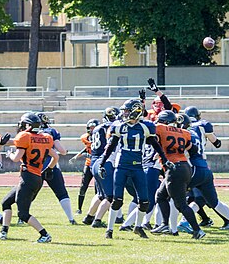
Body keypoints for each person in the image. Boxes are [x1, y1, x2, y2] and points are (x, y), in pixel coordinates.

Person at [97, 99, 171, 239]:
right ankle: (109, 229)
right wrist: (102, 162)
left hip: (138, 166)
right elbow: (110, 146)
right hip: (122, 166)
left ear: (135, 111)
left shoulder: (146, 127)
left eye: (126, 110)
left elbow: (156, 146)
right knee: (117, 199)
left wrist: (165, 160)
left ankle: (137, 227)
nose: (124, 113)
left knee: (144, 201)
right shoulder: (119, 126)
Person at [178, 112, 229, 236]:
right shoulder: (201, 127)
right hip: (204, 167)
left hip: (190, 167)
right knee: (210, 201)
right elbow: (217, 143)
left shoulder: (184, 133)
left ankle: (172, 226)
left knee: (173, 195)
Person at [0, 113, 57, 243]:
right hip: (36, 177)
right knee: (6, 202)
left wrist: (9, 154)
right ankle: (3, 232)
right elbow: (56, 157)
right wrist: (49, 168)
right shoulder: (45, 138)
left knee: (23, 213)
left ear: (27, 125)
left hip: (28, 177)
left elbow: (16, 158)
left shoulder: (25, 136)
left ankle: (45, 234)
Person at [152, 111, 204, 239]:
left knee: (180, 204)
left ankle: (198, 230)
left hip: (173, 168)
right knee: (160, 195)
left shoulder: (160, 128)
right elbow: (193, 149)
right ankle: (164, 224)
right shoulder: (185, 132)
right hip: (185, 166)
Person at [82, 107, 120, 228]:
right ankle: (97, 221)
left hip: (93, 161)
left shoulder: (97, 128)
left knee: (100, 194)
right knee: (110, 196)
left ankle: (89, 217)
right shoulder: (113, 127)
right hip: (105, 161)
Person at [38, 112, 77, 224]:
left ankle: (22, 217)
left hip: (35, 167)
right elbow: (62, 151)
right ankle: (71, 218)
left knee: (28, 194)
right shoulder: (51, 132)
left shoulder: (27, 134)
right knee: (61, 193)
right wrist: (65, 151)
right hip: (52, 166)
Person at [70, 119, 99, 214]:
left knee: (98, 188)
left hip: (98, 164)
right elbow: (87, 148)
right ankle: (79, 209)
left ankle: (98, 210)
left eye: (93, 128)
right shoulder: (85, 137)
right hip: (88, 164)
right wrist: (77, 156)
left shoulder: (101, 138)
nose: (91, 130)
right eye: (90, 128)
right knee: (83, 186)